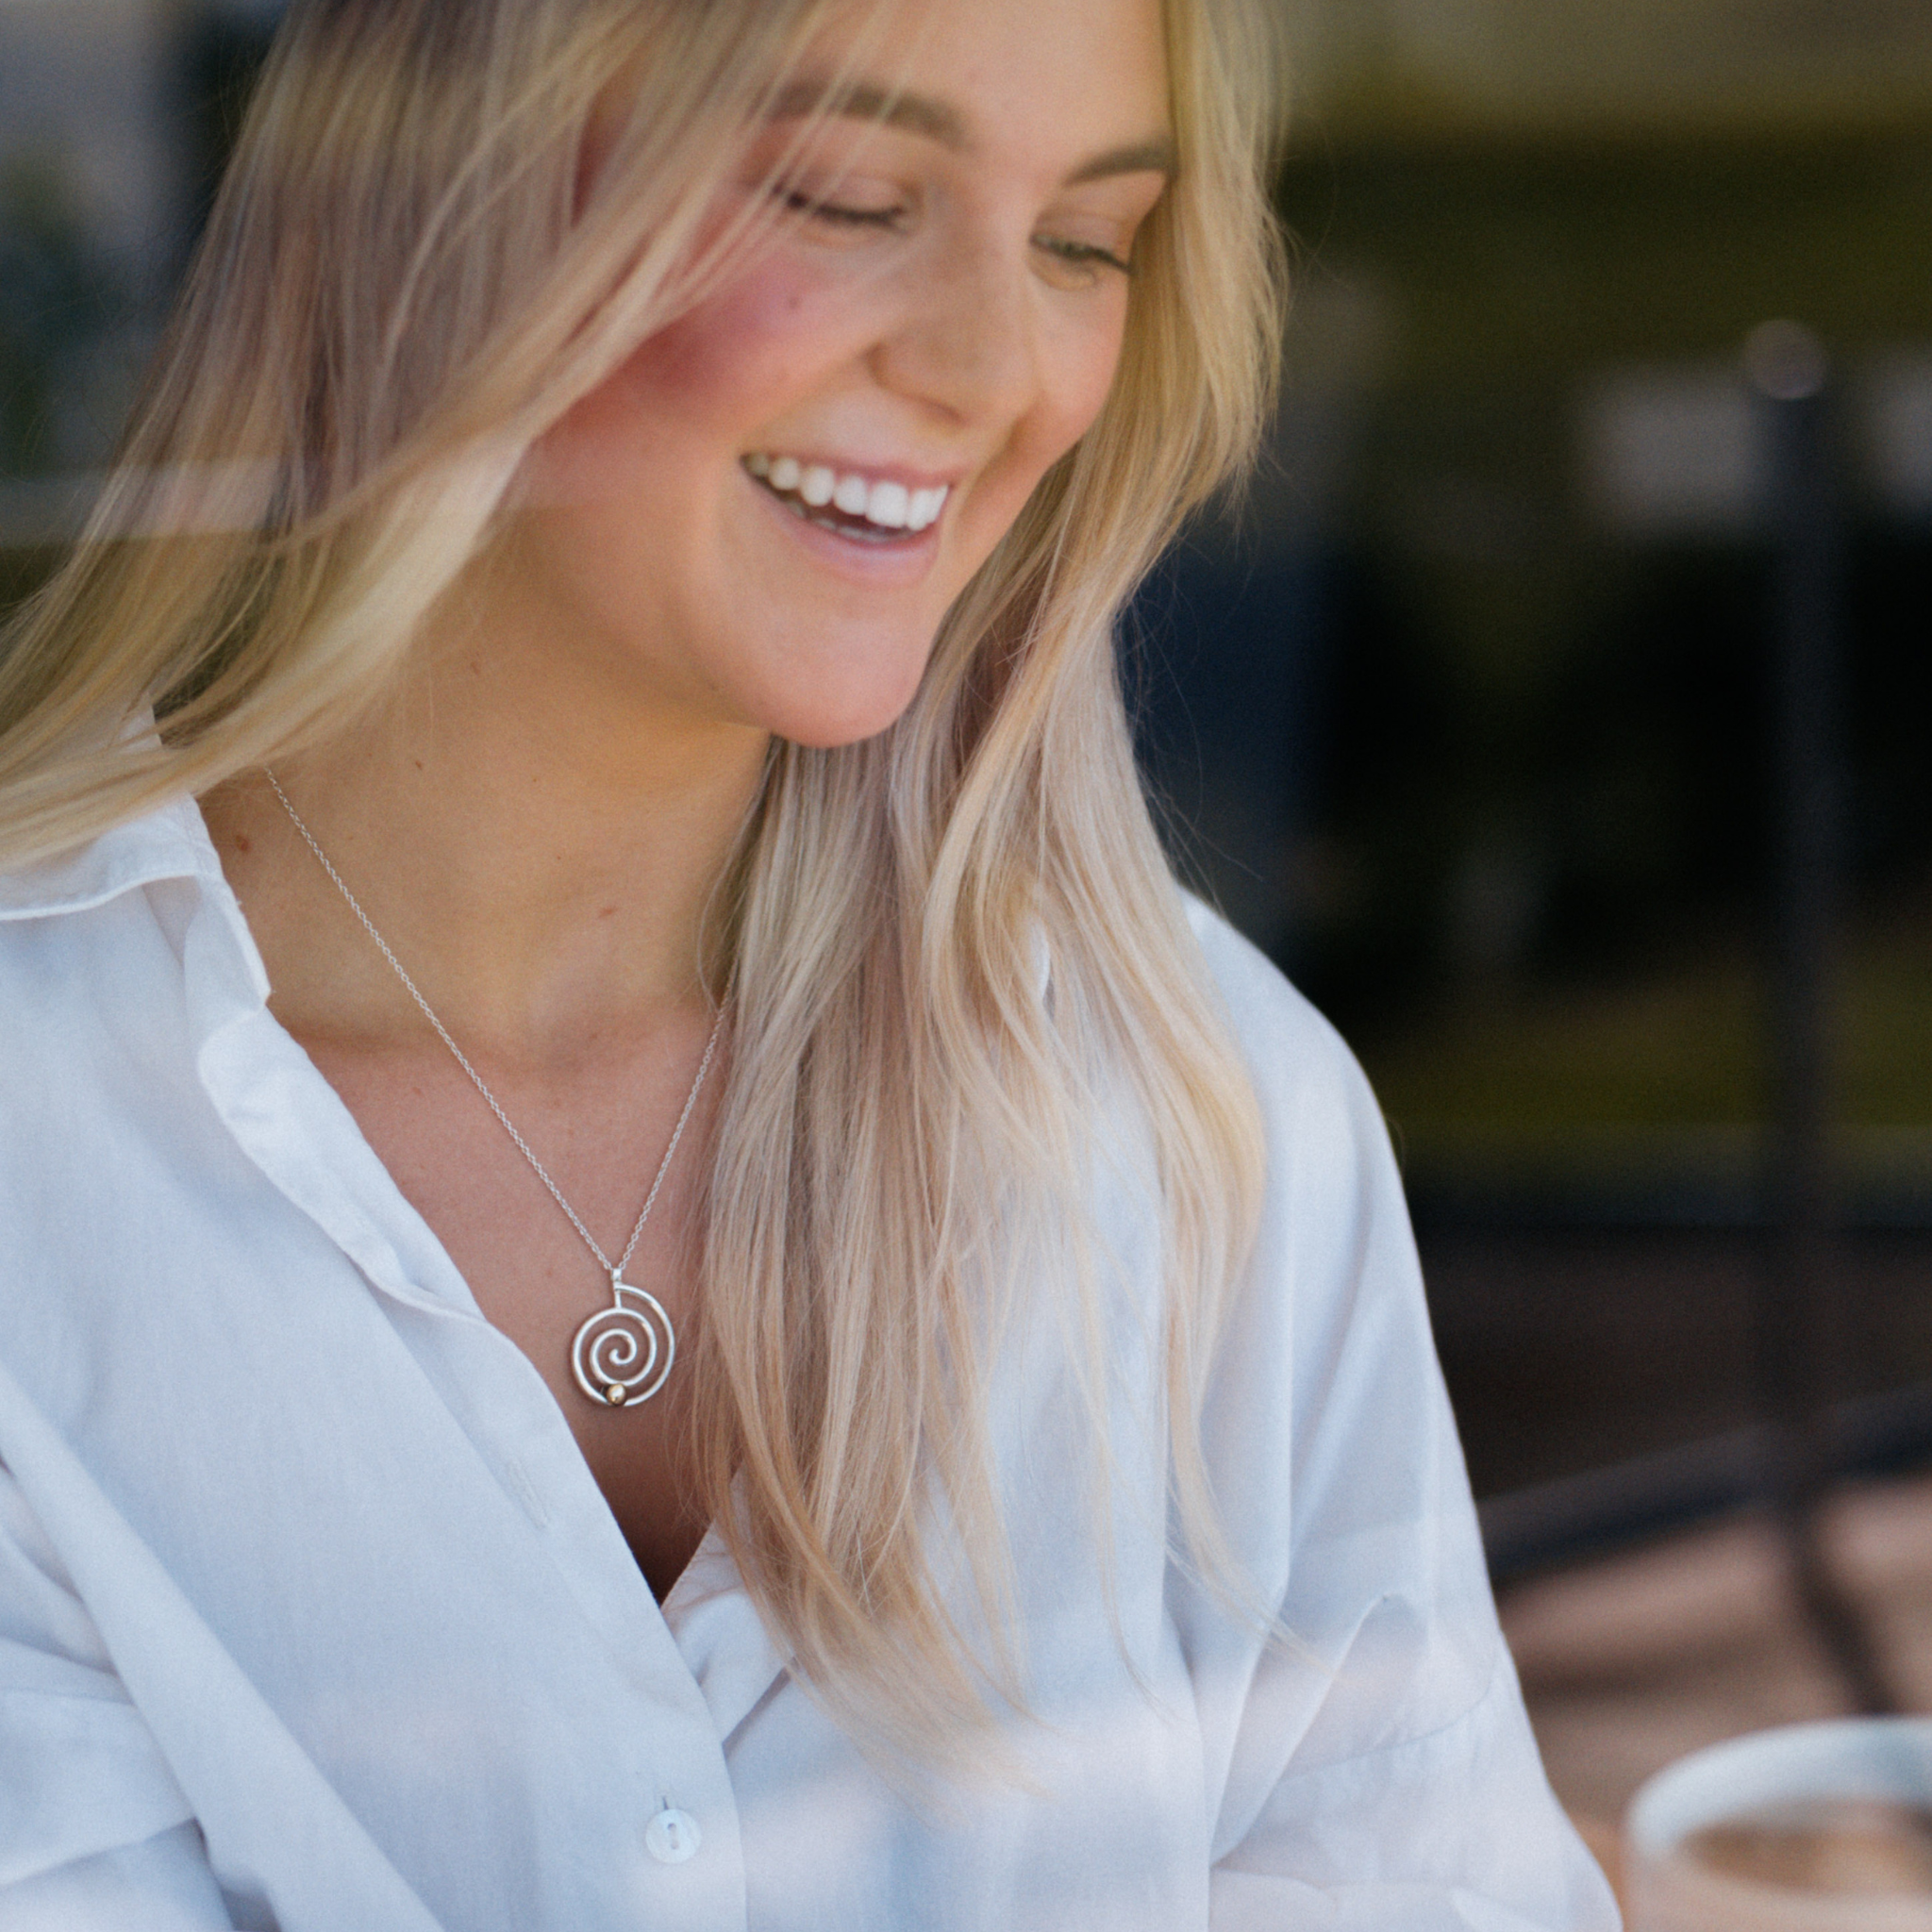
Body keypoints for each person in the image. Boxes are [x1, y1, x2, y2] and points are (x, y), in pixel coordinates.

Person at [0, 0, 1620, 1925]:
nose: (996, 363)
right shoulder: (48, 1162)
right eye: (849, 197)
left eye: (1085, 242)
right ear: (443, 191)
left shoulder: (1203, 1117)